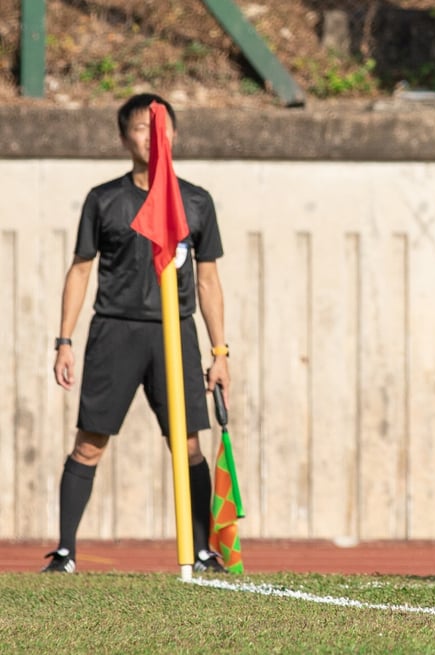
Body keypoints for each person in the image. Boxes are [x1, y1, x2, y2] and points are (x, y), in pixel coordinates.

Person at [43, 93, 231, 573]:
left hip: (176, 333)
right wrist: (64, 341)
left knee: (188, 445)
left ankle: (202, 551)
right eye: (141, 128)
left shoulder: (196, 201)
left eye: (159, 127)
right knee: (90, 442)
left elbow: (208, 280)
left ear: (174, 133)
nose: (152, 137)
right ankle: (65, 553)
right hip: (115, 332)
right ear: (124, 137)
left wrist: (220, 352)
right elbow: (80, 269)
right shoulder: (104, 199)